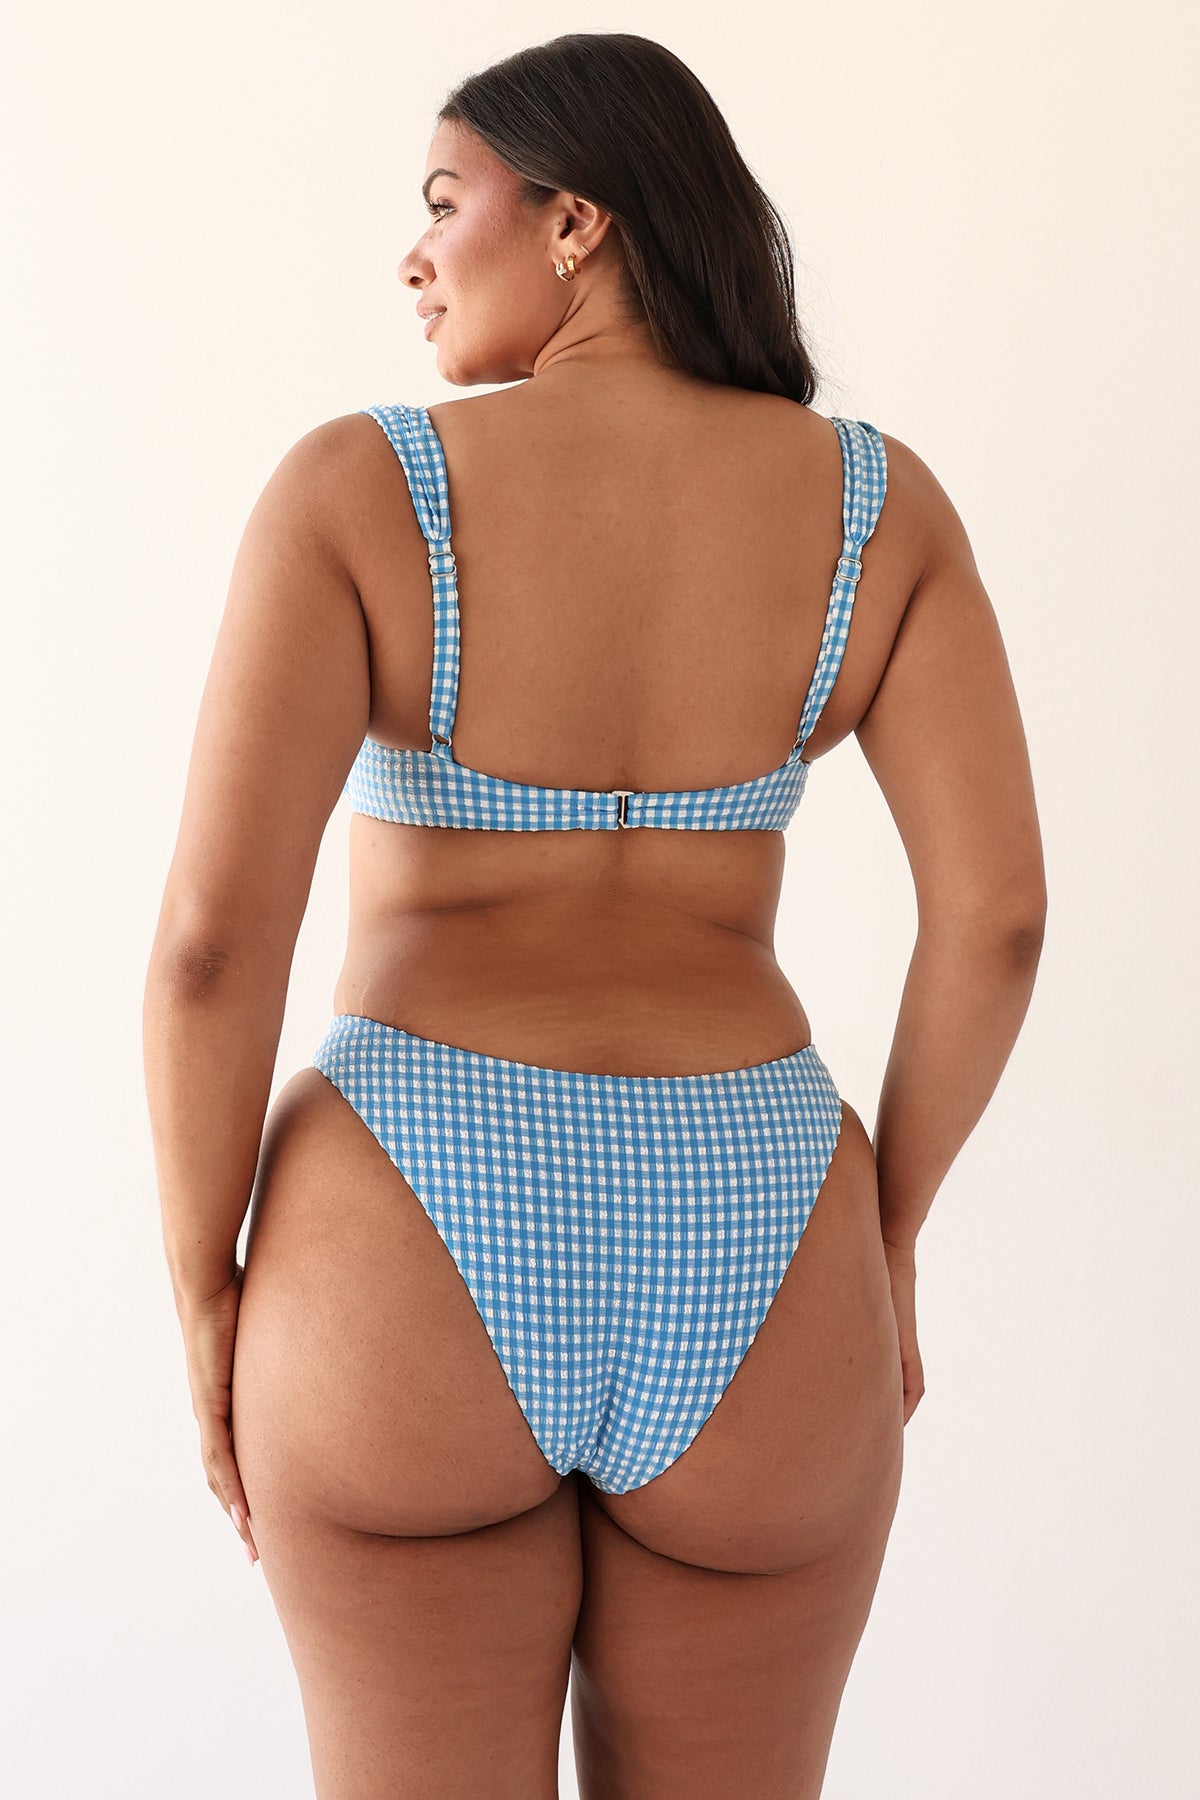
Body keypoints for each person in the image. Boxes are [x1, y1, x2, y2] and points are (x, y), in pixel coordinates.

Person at [142, 31, 1047, 1800]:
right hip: (761, 1224)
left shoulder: (362, 490)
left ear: (577, 223)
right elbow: (1000, 919)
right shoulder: (876, 510)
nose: (412, 257)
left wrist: (206, 1290)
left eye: (443, 204)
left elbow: (207, 946)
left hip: (406, 1225)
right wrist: (887, 1230)